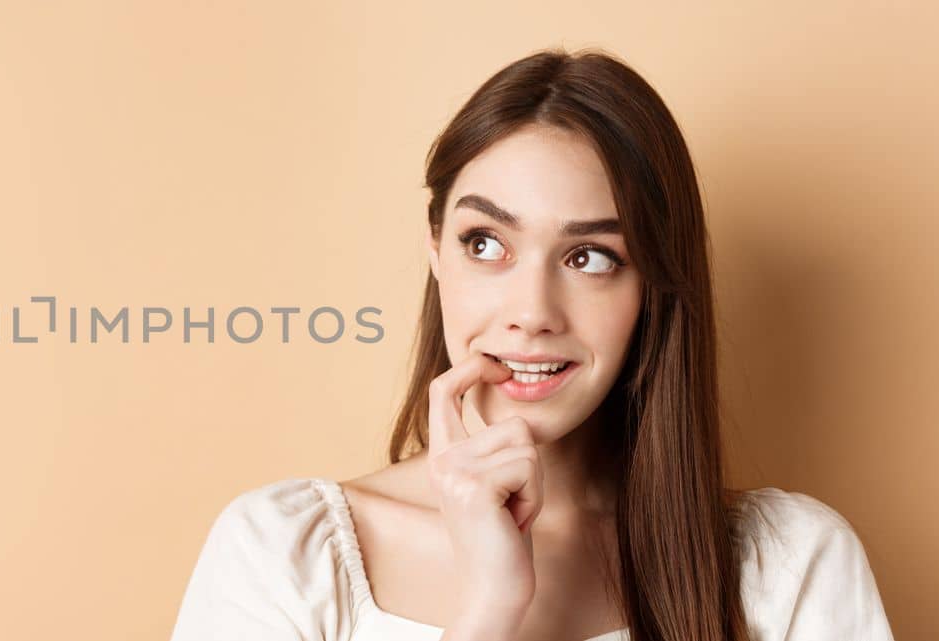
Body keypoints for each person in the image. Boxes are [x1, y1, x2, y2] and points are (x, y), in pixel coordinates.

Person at [167, 48, 895, 641]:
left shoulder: (791, 564)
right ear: (435, 251)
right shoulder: (282, 553)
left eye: (590, 258)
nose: (531, 313)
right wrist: (488, 608)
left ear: (654, 286)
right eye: (485, 243)